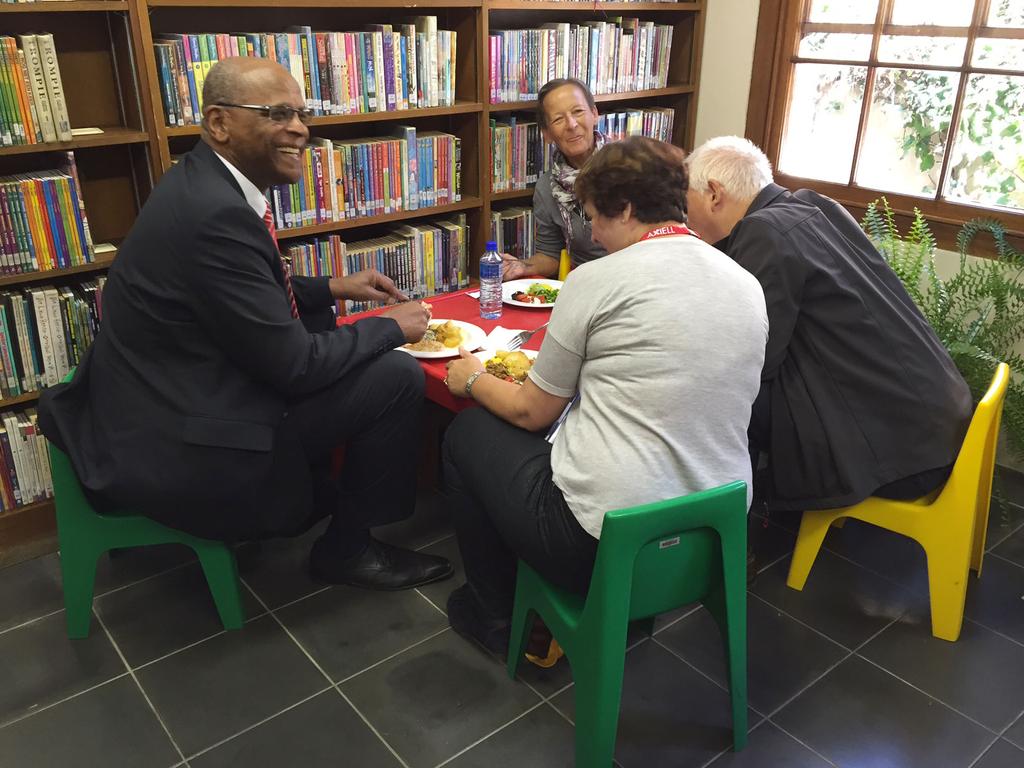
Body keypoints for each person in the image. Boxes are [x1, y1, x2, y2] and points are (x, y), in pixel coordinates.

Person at [38, 57, 453, 591]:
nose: (300, 128)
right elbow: (296, 368)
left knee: (339, 336)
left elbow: (236, 297)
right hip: (187, 440)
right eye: (278, 113)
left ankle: (322, 493)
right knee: (396, 377)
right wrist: (392, 327)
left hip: (159, 400)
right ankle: (348, 548)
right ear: (219, 123)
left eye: (302, 113)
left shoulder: (201, 184)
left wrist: (330, 288)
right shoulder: (217, 215)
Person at [441, 137, 768, 654]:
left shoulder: (595, 280)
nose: (590, 233)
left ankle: (496, 616)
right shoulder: (746, 282)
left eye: (594, 216)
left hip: (601, 542)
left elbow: (531, 410)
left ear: (628, 209)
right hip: (717, 533)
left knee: (469, 433)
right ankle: (618, 612)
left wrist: (473, 379)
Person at [684, 135, 973, 516]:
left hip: (900, 457)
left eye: (686, 199)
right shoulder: (814, 203)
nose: (685, 213)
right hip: (935, 427)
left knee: (718, 395)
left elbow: (756, 358)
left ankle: (737, 527)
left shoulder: (763, 233)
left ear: (714, 194)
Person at [501, 78, 609, 281]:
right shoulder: (547, 187)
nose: (571, 124)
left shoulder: (630, 170)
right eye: (558, 119)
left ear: (594, 114)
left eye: (578, 112)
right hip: (585, 285)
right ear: (547, 134)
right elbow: (551, 255)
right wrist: (521, 266)